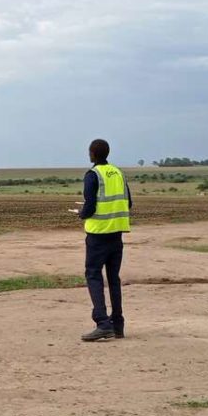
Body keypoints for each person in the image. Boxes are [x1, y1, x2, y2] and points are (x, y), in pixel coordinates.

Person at [77, 138, 132, 342]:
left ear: (92, 153)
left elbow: (90, 206)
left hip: (98, 234)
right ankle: (118, 324)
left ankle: (102, 322)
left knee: (93, 275)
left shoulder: (92, 175)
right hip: (116, 234)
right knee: (113, 278)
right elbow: (129, 202)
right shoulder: (118, 173)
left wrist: (81, 214)